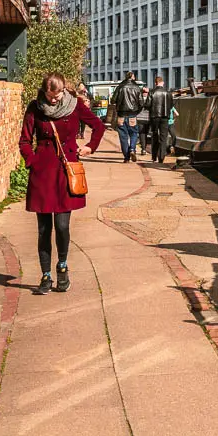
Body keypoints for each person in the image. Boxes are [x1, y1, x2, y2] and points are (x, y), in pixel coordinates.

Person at [18, 73, 105, 294]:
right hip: (42, 174)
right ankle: (45, 275)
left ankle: (63, 266)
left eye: (57, 96)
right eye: (50, 96)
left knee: (63, 226)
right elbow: (25, 139)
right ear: (44, 92)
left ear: (64, 90)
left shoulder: (74, 106)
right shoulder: (35, 107)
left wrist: (89, 147)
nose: (54, 100)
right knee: (43, 229)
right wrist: (32, 161)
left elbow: (98, 126)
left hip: (67, 172)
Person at [112, 71, 143, 162]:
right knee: (133, 133)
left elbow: (113, 100)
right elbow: (141, 103)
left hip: (121, 114)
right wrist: (137, 111)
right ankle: (132, 149)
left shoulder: (120, 87)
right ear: (133, 77)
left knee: (123, 136)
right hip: (132, 114)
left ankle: (126, 157)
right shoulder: (137, 87)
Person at [147, 77, 174, 163]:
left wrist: (151, 109)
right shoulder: (168, 93)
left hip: (154, 116)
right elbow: (171, 105)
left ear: (155, 83)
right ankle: (161, 157)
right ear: (163, 83)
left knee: (154, 135)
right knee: (163, 137)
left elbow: (147, 104)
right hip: (165, 117)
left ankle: (154, 156)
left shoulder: (152, 92)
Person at [135, 87, 151, 155]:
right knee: (146, 133)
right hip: (147, 118)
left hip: (139, 118)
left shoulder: (138, 99)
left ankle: (143, 149)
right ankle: (144, 148)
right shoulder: (150, 98)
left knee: (142, 134)